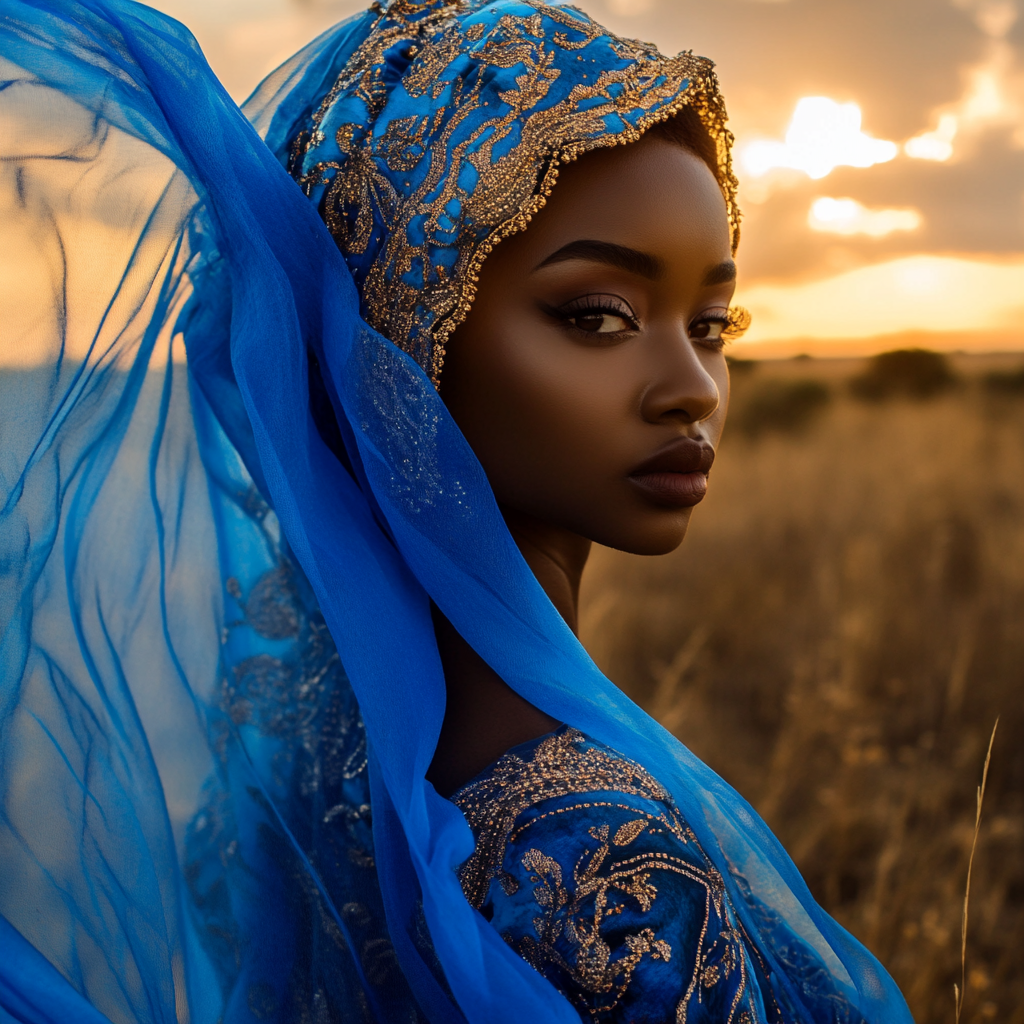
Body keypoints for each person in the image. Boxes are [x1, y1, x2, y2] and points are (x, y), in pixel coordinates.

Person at [0, 1, 912, 1022]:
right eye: (598, 316)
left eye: (712, 321)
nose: (692, 385)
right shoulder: (602, 865)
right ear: (397, 339)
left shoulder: (306, 768)